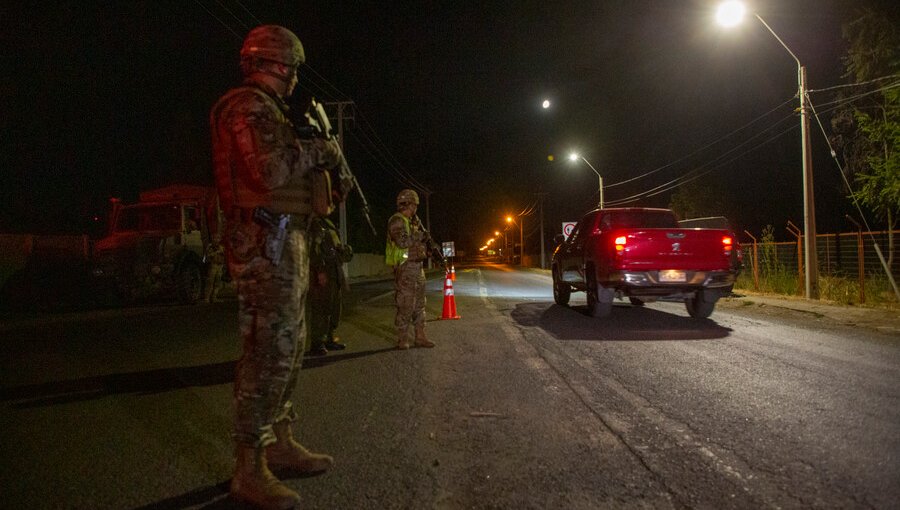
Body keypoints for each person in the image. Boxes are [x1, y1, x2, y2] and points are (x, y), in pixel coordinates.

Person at [210, 24, 343, 509]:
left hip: (289, 240)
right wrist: (319, 150)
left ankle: (280, 441)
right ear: (267, 63)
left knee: (290, 345)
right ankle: (249, 468)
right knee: (267, 352)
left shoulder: (275, 112)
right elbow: (266, 172)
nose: (293, 79)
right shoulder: (244, 106)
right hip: (263, 244)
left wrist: (329, 172)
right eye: (290, 68)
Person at [385, 189, 436, 350]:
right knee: (406, 304)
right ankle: (402, 339)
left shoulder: (411, 222)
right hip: (405, 268)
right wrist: (419, 235)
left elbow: (416, 244)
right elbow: (402, 242)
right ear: (408, 204)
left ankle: (420, 337)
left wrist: (427, 247)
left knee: (420, 304)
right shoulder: (397, 221)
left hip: (417, 267)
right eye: (414, 204)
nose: (416, 208)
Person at [306, 215, 352, 356]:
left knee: (334, 308)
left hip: (334, 272)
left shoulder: (329, 224)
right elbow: (313, 250)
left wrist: (344, 252)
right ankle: (317, 343)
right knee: (321, 309)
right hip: (324, 273)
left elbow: (335, 250)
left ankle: (329, 339)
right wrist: (320, 271)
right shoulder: (315, 223)